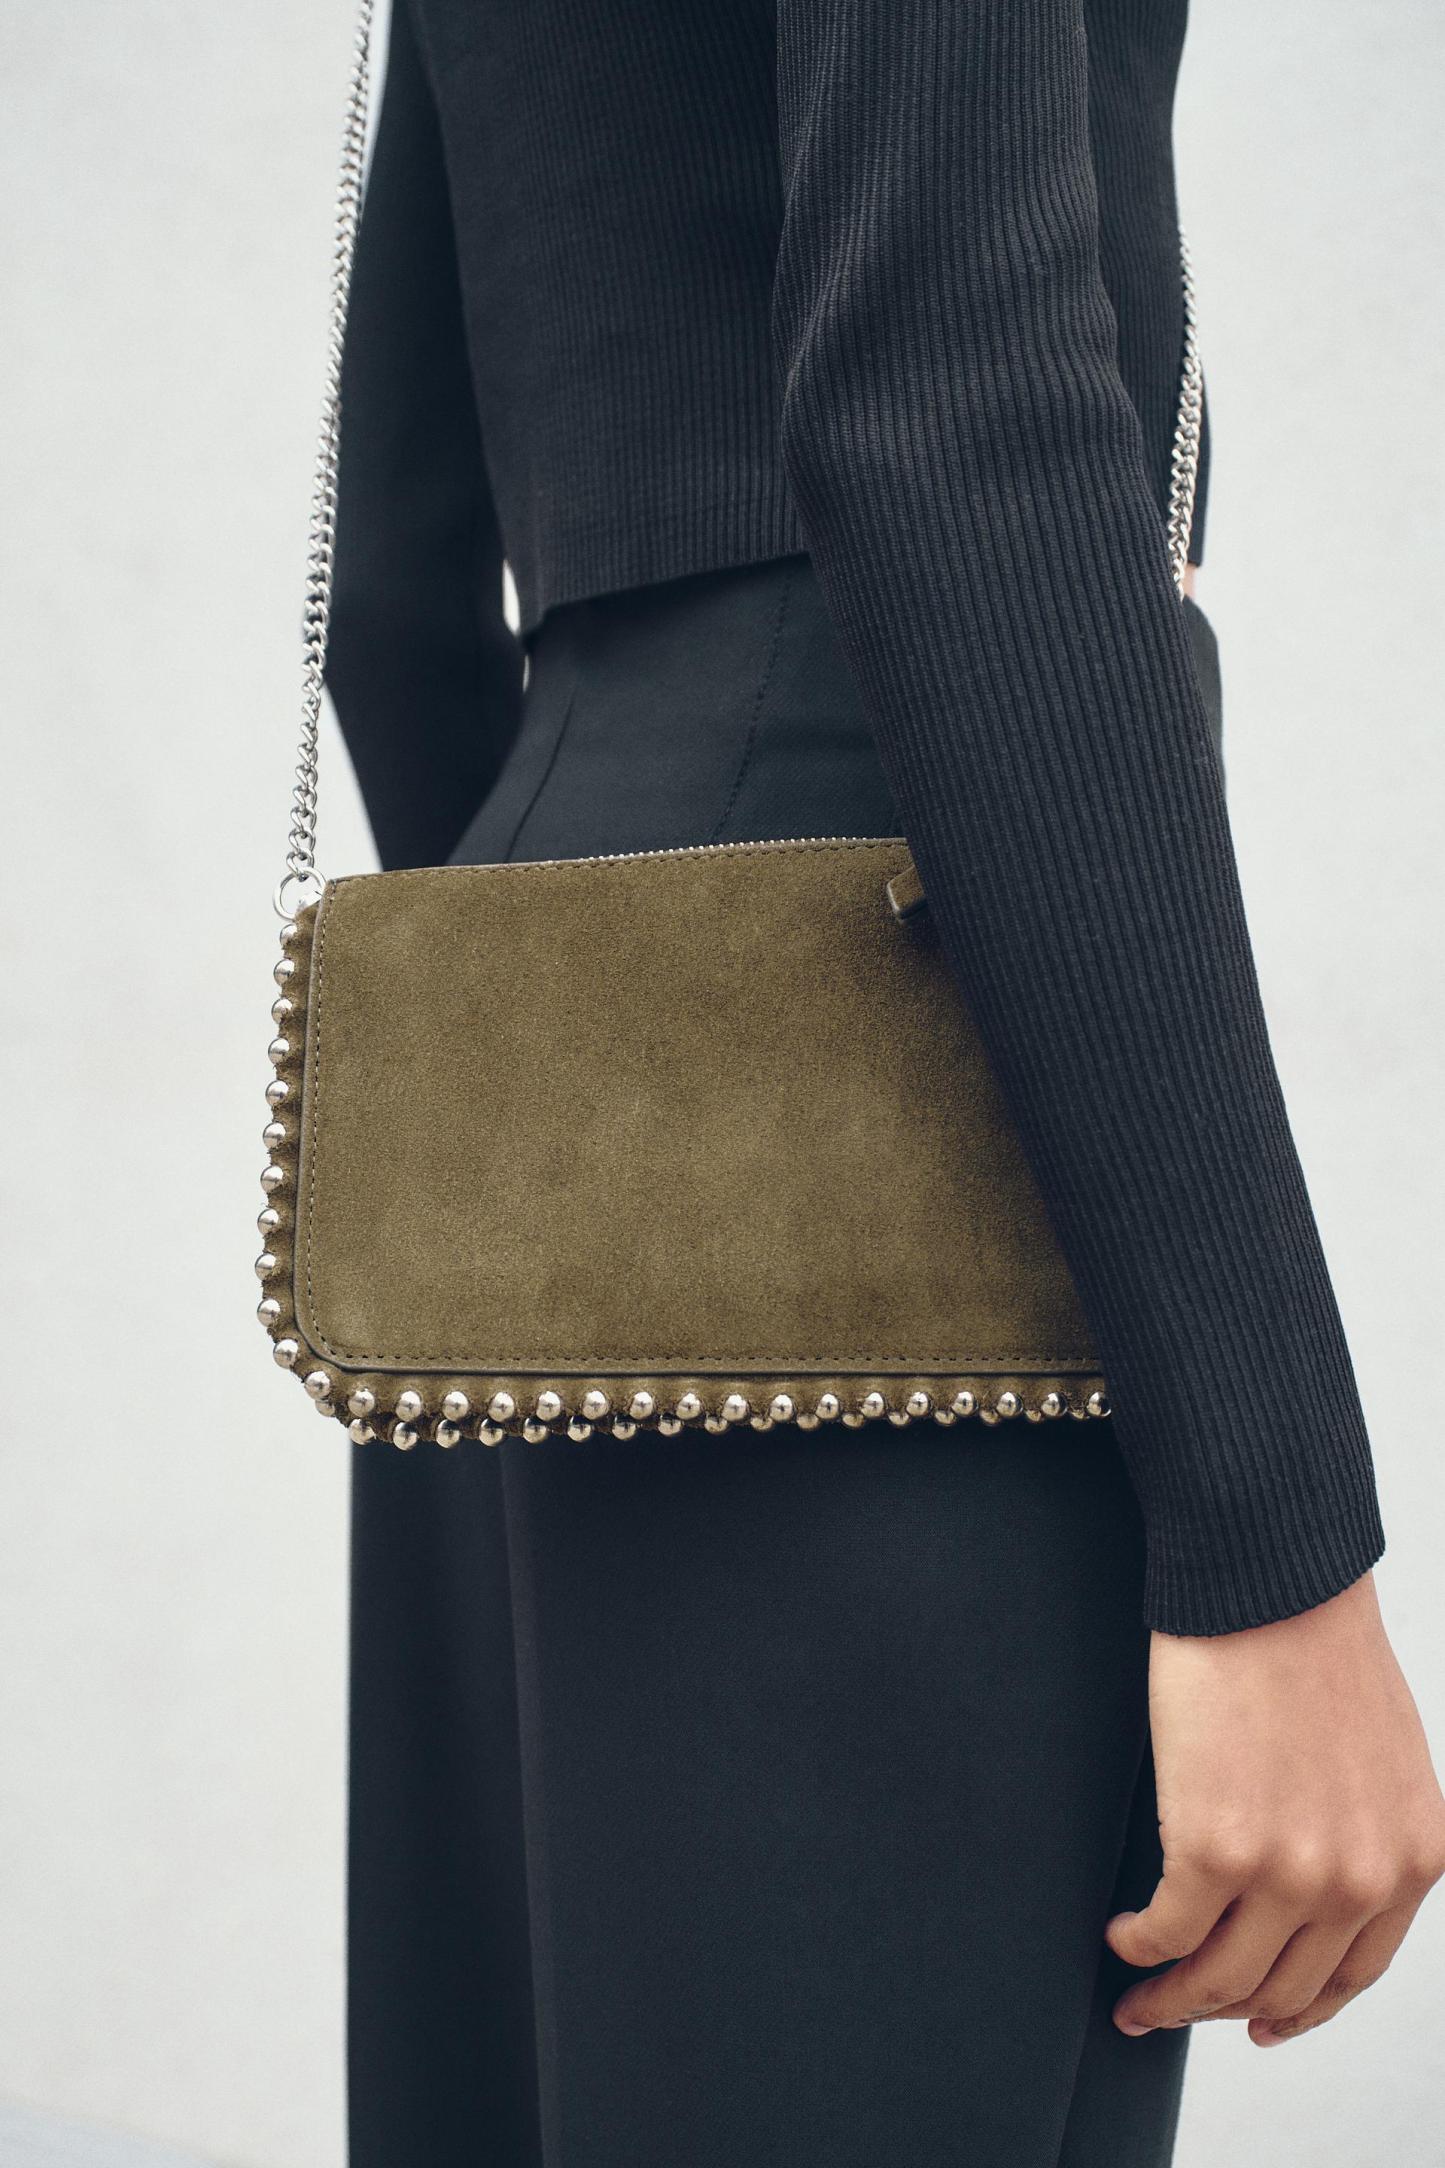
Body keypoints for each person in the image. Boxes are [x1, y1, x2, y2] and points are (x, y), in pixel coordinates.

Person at [322, 3, 1445, 2163]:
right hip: (890, 1009)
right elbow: (953, 401)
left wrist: (571, 1094)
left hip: (540, 989)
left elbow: (392, 573)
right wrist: (1280, 1544)